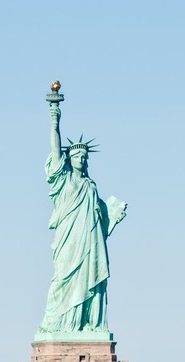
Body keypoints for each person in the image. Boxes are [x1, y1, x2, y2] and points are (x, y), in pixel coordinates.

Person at [38, 98, 127, 335]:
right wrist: (54, 121)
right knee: (62, 280)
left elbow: (100, 223)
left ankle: (88, 324)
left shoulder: (90, 187)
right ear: (70, 159)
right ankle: (58, 325)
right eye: (78, 157)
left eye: (85, 157)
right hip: (69, 241)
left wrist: (112, 216)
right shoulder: (63, 181)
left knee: (90, 280)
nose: (82, 160)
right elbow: (55, 151)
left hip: (90, 244)